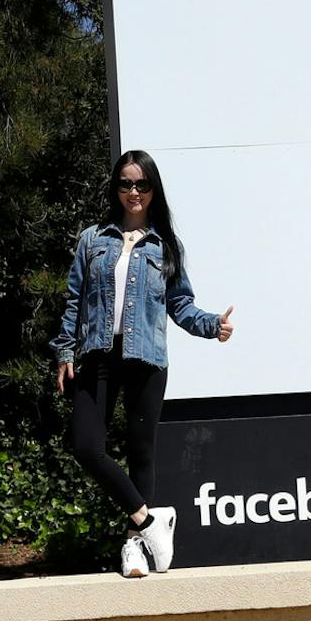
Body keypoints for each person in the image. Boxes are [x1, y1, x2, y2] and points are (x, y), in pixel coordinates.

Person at [51, 149, 233, 578]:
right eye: (126, 183)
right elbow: (74, 300)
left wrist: (212, 325)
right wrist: (64, 352)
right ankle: (150, 522)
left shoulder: (165, 245)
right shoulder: (92, 239)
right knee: (85, 446)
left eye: (142, 184)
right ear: (116, 188)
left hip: (146, 357)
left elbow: (180, 304)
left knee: (141, 452)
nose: (134, 192)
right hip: (97, 353)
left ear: (153, 189)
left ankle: (135, 547)